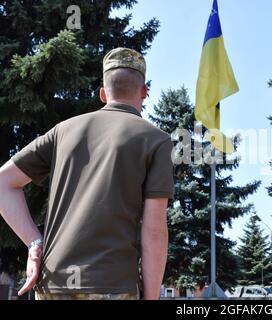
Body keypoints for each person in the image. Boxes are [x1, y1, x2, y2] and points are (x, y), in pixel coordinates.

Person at [0, 48, 174, 300]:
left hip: (54, 282)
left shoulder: (62, 131)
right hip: (113, 284)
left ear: (103, 94)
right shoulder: (157, 141)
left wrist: (34, 243)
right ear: (144, 91)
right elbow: (154, 228)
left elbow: (4, 182)